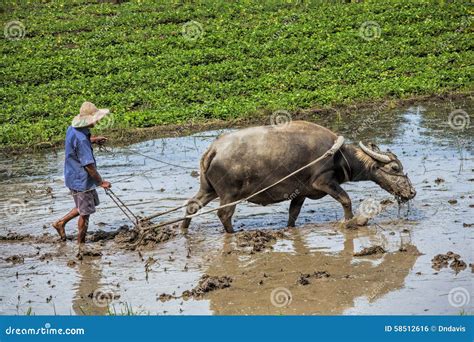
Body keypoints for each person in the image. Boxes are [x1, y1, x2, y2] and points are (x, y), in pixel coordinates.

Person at [52, 101, 112, 245]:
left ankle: (61, 223)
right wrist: (101, 182)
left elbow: (77, 142)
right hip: (82, 180)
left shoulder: (72, 129)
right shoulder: (82, 140)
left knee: (85, 206)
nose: (98, 121)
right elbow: (89, 166)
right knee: (85, 213)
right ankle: (81, 244)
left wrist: (93, 140)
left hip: (73, 176)